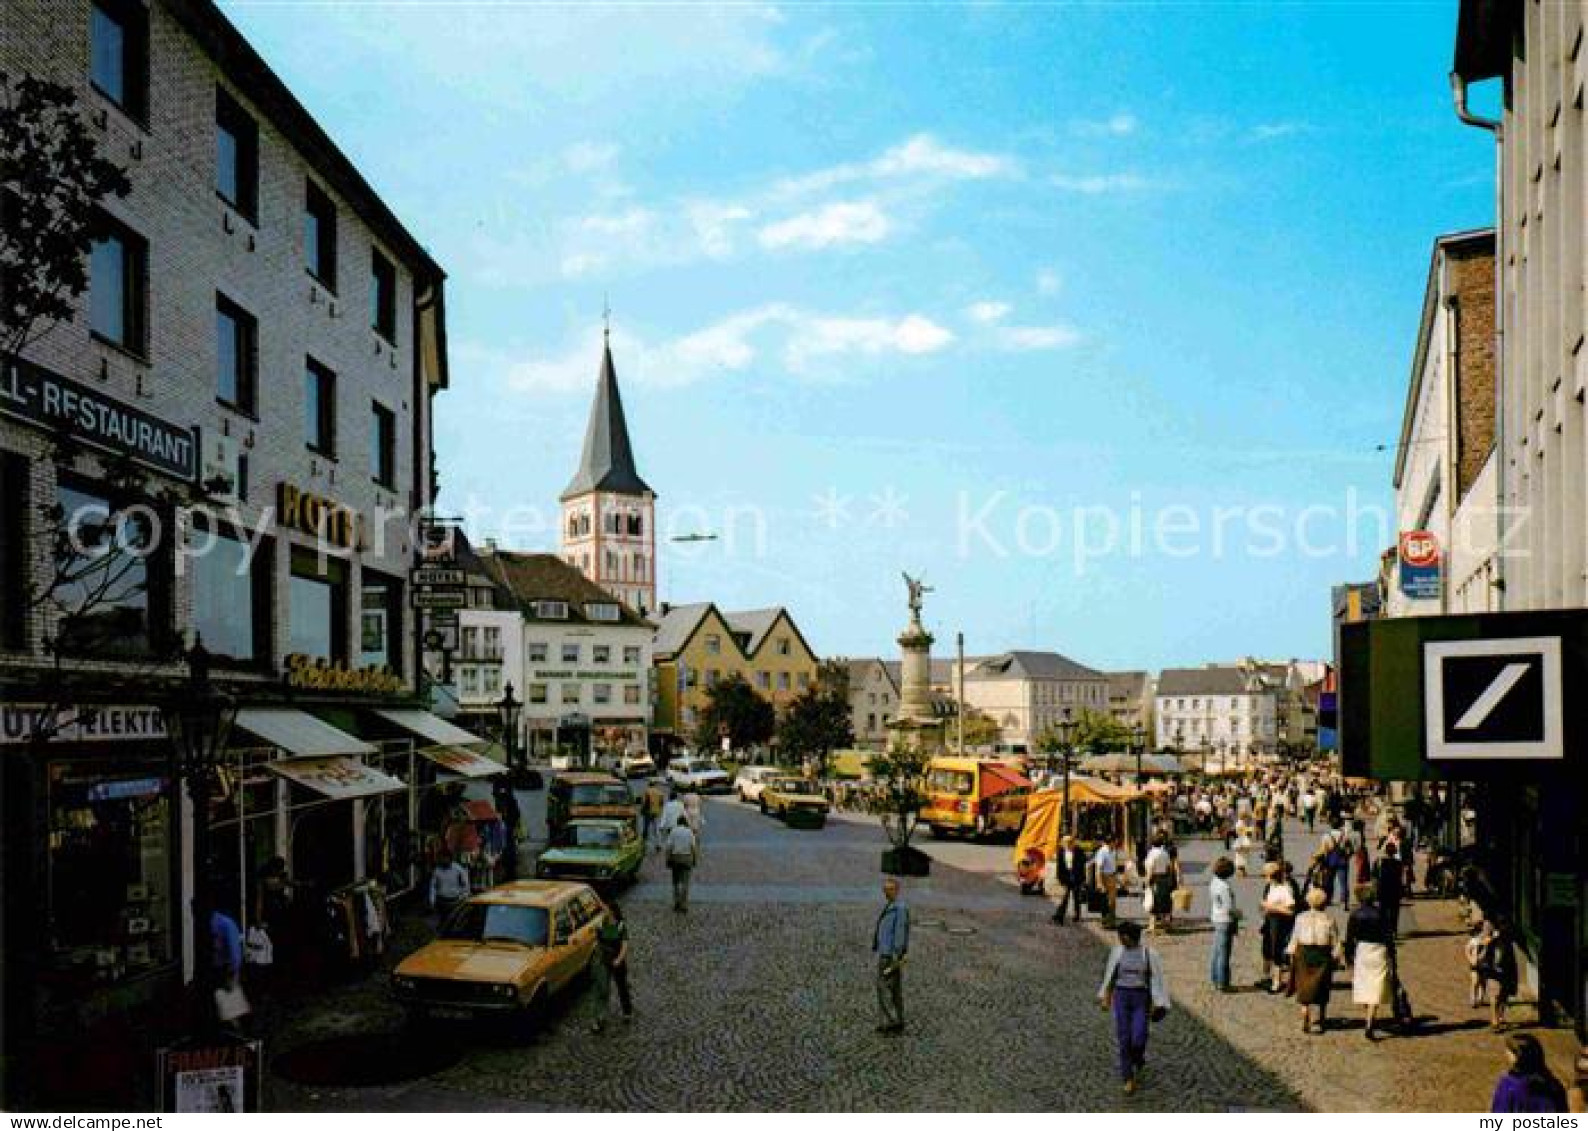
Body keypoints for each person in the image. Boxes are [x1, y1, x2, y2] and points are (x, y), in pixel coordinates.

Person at [1097, 920, 1169, 1096]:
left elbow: (1156, 980)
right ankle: (1128, 1077)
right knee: (1124, 1037)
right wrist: (1106, 997)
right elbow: (1111, 976)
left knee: (1139, 1036)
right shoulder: (1118, 953)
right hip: (1122, 996)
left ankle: (1137, 1057)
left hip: (1140, 997)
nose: (1120, 940)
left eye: (1122, 936)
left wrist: (1157, 1002)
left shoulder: (1148, 955)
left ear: (1128, 937)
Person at [1286, 886, 1342, 1034]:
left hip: (1304, 952)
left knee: (1303, 984)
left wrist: (1291, 954)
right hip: (1322, 954)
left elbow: (1295, 938)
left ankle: (1305, 1011)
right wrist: (1337, 958)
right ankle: (1320, 1018)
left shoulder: (1301, 918)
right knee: (1322, 986)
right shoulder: (1329, 919)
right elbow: (1336, 941)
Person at [1344, 884, 1394, 1040]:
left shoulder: (1355, 914)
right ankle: (1370, 1018)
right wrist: (1393, 956)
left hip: (1363, 951)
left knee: (1365, 986)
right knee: (1376, 985)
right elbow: (1389, 937)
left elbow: (1349, 938)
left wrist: (1348, 957)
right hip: (1379, 951)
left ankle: (1369, 1015)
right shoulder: (1382, 913)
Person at [1491, 1033, 1568, 1113]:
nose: (1505, 1053)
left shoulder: (1508, 1086)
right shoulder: (1554, 1084)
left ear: (1517, 1057)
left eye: (1509, 1051)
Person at [873, 877, 910, 1035]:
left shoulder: (899, 909)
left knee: (884, 987)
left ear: (896, 890)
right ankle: (896, 1020)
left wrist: (897, 954)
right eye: (884, 889)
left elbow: (900, 934)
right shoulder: (892, 906)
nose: (885, 892)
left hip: (890, 955)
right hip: (886, 953)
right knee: (892, 988)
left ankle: (890, 1022)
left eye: (889, 889)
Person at [591, 901, 633, 1033]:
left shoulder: (620, 926)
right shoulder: (600, 923)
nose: (603, 909)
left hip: (617, 962)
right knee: (603, 989)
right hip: (604, 961)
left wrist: (619, 959)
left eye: (605, 907)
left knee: (622, 987)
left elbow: (625, 945)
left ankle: (627, 1011)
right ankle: (600, 1018)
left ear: (612, 911)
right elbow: (597, 943)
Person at [1259, 861, 1300, 994]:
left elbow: (1291, 911)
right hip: (1270, 921)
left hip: (1280, 922)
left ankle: (1277, 982)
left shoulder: (1285, 888)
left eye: (1266, 875)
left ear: (1273, 876)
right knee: (1266, 949)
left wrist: (1271, 907)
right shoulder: (1270, 886)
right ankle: (1267, 977)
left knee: (1277, 951)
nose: (1265, 878)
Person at [1475, 915, 1519, 1031]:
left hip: (1506, 969)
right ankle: (1494, 1020)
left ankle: (1500, 1016)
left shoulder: (1508, 937)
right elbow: (1481, 956)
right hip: (1493, 971)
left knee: (1504, 994)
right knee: (1495, 994)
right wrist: (1487, 943)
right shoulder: (1489, 937)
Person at [1207, 856, 1237, 991]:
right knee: (1224, 953)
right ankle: (1223, 982)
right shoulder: (1225, 886)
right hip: (1225, 920)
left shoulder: (1214, 882)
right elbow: (1229, 907)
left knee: (1216, 951)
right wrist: (1239, 916)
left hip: (1216, 916)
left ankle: (1214, 977)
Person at [427, 848, 471, 922]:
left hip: (456, 901)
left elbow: (466, 885)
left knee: (454, 921)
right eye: (440, 858)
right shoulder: (437, 870)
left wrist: (463, 897)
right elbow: (433, 886)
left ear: (450, 858)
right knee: (443, 922)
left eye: (444, 858)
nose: (442, 860)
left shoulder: (458, 869)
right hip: (441, 901)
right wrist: (432, 901)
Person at [1052, 836, 1088, 924]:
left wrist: (1082, 878)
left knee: (1076, 897)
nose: (1067, 844)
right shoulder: (1061, 852)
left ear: (1073, 843)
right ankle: (1059, 916)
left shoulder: (1079, 851)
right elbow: (1059, 866)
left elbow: (1083, 863)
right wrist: (1059, 878)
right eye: (1065, 843)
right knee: (1064, 897)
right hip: (1066, 876)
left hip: (1076, 876)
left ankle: (1077, 915)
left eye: (1069, 842)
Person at [1144, 835, 1176, 934]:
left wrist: (1147, 881)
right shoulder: (1165, 853)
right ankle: (1167, 925)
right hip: (1164, 878)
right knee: (1164, 902)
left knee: (1153, 902)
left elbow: (1150, 868)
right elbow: (1169, 867)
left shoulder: (1152, 854)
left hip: (1155, 878)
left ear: (1152, 843)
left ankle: (1152, 926)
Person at [1374, 841, 1406, 939]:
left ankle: (1383, 930)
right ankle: (1393, 930)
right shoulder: (1399, 863)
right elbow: (1401, 877)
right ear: (1395, 852)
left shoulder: (1379, 862)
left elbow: (1374, 876)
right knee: (1394, 912)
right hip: (1395, 890)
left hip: (1383, 889)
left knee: (1382, 911)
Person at [665, 818, 698, 913]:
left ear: (677, 823)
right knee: (685, 883)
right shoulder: (689, 832)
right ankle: (684, 905)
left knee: (675, 882)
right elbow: (693, 847)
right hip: (687, 858)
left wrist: (667, 859)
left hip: (675, 858)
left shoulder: (673, 831)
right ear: (685, 823)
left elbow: (669, 847)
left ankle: (676, 902)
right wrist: (695, 859)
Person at [492, 779, 522, 880]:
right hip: (507, 828)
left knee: (507, 849)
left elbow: (515, 815)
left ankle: (509, 871)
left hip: (507, 828)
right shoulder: (507, 799)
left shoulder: (507, 800)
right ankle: (509, 871)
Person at [1091, 838, 1120, 927]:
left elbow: (1114, 864)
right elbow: (1098, 868)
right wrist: (1099, 882)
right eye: (1115, 842)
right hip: (1105, 877)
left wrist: (1118, 879)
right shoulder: (1102, 852)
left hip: (1112, 876)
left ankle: (1111, 920)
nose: (1116, 843)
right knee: (1106, 901)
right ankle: (1106, 921)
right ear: (1110, 842)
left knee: (1113, 901)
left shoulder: (1113, 851)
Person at [641, 779, 665, 848]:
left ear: (649, 785)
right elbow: (661, 803)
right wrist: (659, 811)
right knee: (656, 829)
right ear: (655, 785)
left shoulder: (647, 791)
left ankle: (643, 844)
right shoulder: (660, 793)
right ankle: (658, 844)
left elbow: (644, 803)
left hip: (648, 812)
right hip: (656, 813)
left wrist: (642, 811)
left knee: (646, 828)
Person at [682, 790, 705, 856]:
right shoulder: (697, 796)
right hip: (696, 812)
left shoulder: (686, 796)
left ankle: (688, 849)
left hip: (688, 813)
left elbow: (684, 805)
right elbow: (700, 805)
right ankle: (697, 850)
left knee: (688, 830)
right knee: (696, 832)